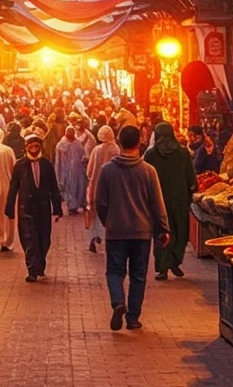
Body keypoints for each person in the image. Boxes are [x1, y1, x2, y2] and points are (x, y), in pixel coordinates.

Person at [95, 125, 170, 331]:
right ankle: (133, 317)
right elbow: (157, 203)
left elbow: (99, 202)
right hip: (141, 233)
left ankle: (118, 302)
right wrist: (163, 229)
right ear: (139, 143)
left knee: (114, 272)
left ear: (119, 142)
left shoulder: (107, 170)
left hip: (116, 232)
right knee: (138, 275)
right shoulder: (148, 171)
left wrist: (108, 221)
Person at [5, 132, 63, 282]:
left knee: (44, 239)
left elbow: (53, 187)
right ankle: (31, 269)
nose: (34, 149)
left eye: (37, 146)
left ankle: (40, 264)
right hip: (26, 208)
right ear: (26, 147)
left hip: (43, 208)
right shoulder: (20, 165)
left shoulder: (46, 165)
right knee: (29, 238)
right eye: (31, 146)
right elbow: (13, 187)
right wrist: (9, 208)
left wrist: (57, 208)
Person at [144, 121, 197, 280]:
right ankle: (174, 261)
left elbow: (145, 177)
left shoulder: (151, 154)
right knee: (180, 231)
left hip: (158, 200)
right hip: (179, 199)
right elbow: (190, 176)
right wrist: (193, 190)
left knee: (162, 232)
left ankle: (163, 266)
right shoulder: (182, 152)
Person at [85, 124, 118, 253]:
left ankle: (94, 237)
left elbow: (89, 171)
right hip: (111, 188)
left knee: (95, 213)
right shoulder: (115, 150)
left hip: (96, 187)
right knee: (109, 214)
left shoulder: (96, 150)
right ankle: (107, 238)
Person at [55, 125, 88, 214]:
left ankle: (78, 204)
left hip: (78, 171)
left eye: (72, 132)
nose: (70, 134)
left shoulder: (78, 144)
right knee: (69, 189)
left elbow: (83, 155)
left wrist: (84, 160)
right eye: (68, 132)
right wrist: (59, 173)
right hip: (66, 171)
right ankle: (71, 207)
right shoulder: (60, 145)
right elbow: (58, 161)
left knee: (79, 187)